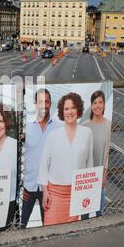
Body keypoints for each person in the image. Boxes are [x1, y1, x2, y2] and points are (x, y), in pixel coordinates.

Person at [38, 93, 93, 226]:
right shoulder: (53, 135)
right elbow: (43, 165)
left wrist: (88, 191)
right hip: (55, 193)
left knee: (73, 235)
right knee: (51, 233)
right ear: (62, 112)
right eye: (66, 109)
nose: (70, 112)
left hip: (77, 193)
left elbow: (89, 164)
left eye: (73, 108)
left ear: (78, 110)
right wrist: (45, 192)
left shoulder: (87, 133)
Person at [21, 89, 62, 228]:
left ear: (50, 103)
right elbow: (19, 156)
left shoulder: (58, 128)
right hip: (29, 187)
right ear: (35, 104)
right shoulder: (26, 127)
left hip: (49, 188)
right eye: (40, 102)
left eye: (46, 101)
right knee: (21, 226)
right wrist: (21, 186)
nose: (43, 105)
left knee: (48, 226)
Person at [83, 91, 112, 216]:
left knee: (99, 212)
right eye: (95, 103)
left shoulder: (107, 125)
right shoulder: (85, 126)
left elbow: (107, 151)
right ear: (91, 105)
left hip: (99, 175)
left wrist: (105, 173)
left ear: (104, 104)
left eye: (100, 102)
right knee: (84, 212)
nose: (97, 105)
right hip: (86, 176)